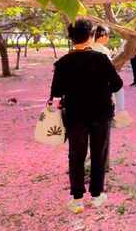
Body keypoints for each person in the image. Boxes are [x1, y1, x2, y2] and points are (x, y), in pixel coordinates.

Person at [49, 19, 123, 214]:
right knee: (99, 154)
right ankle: (97, 195)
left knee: (76, 156)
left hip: (75, 115)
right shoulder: (101, 59)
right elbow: (117, 84)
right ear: (90, 36)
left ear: (71, 38)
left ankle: (77, 198)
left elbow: (56, 90)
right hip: (100, 114)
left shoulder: (63, 62)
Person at [92, 26, 131, 128]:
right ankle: (118, 116)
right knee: (119, 90)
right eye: (107, 35)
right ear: (102, 35)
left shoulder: (89, 47)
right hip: (101, 82)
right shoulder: (103, 49)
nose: (108, 38)